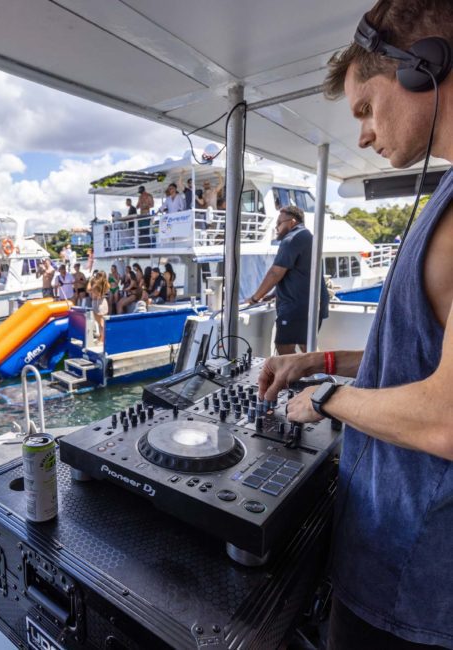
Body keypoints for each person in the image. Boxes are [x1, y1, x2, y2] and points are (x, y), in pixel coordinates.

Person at [259, 3, 453, 648]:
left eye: (365, 108)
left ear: (425, 68)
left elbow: (446, 418)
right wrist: (319, 363)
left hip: (417, 590)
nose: (364, 135)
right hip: (392, 562)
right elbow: (420, 359)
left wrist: (324, 400)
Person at [248, 205, 329, 354]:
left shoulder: (291, 239)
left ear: (291, 222)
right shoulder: (307, 236)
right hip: (311, 302)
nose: (277, 227)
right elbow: (299, 274)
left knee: (284, 346)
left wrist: (255, 298)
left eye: (279, 223)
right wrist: (274, 294)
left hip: (297, 305)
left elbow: (275, 272)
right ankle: (317, 375)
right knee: (307, 346)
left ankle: (296, 377)